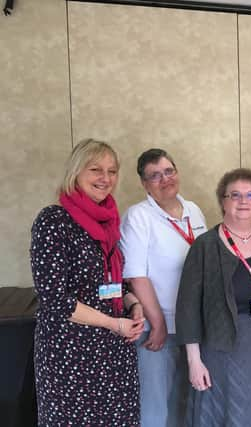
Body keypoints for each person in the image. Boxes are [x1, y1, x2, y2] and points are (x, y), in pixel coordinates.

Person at [30, 138, 144, 426]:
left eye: (112, 171)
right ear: (76, 172)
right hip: (72, 354)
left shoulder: (110, 223)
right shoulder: (54, 221)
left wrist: (134, 304)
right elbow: (55, 299)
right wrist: (113, 323)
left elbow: (114, 280)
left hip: (114, 352)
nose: (105, 178)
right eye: (96, 169)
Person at [175, 168, 251, 427]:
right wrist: (194, 361)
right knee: (222, 412)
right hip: (219, 348)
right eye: (235, 195)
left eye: (250, 195)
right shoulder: (205, 246)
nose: (243, 201)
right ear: (223, 201)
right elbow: (187, 307)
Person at [120, 148, 207, 426]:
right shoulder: (138, 217)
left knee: (185, 403)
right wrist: (156, 322)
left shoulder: (194, 209)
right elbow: (136, 276)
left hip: (193, 327)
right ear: (145, 184)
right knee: (156, 409)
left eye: (169, 171)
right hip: (159, 329)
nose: (164, 179)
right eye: (155, 176)